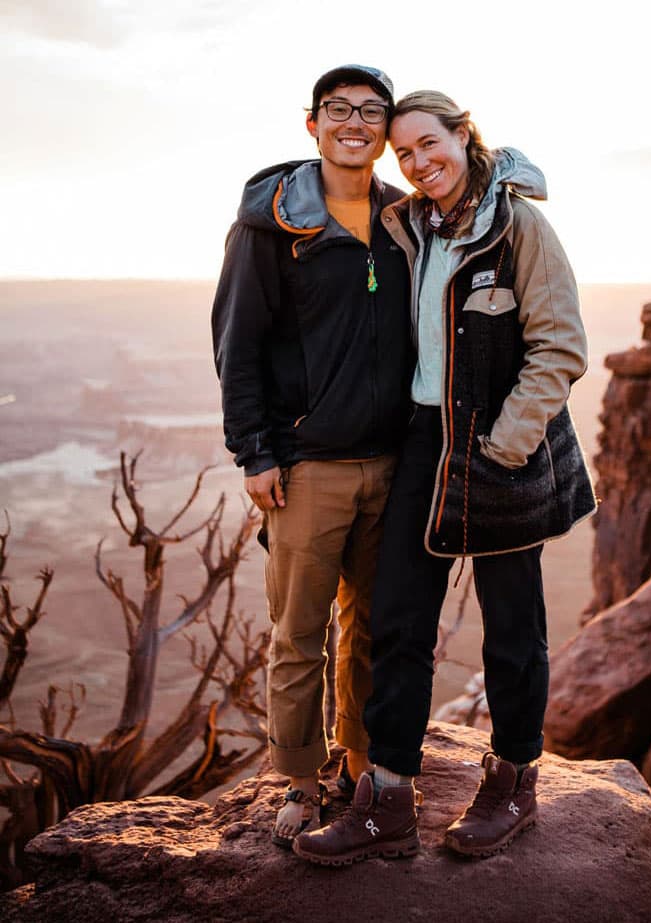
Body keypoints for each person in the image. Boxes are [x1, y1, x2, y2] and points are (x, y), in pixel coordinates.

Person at [293, 90, 595, 865]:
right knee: (397, 619)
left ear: (464, 136)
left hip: (500, 446)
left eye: (431, 144)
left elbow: (560, 344)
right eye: (407, 156)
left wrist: (505, 444)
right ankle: (388, 798)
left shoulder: (519, 224)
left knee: (512, 629)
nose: (420, 163)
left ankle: (513, 782)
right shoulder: (411, 226)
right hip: (425, 445)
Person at [211, 64, 411, 848]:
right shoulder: (271, 223)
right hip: (305, 465)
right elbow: (238, 345)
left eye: (371, 111)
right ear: (314, 123)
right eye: (340, 109)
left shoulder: (404, 218)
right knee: (299, 632)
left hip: (391, 462)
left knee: (370, 629)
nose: (354, 122)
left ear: (386, 130)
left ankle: (359, 770)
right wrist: (254, 451)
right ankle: (298, 780)